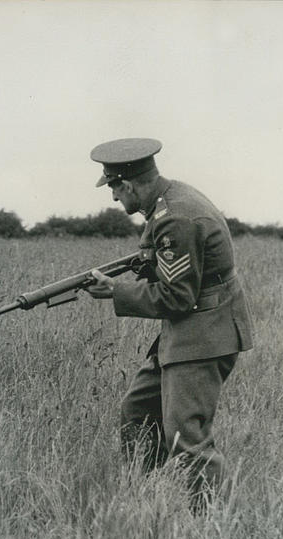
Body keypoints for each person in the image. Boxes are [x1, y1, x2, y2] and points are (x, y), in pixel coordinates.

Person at [84, 138, 254, 509]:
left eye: (113, 187)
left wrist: (117, 291)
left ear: (127, 185)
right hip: (189, 331)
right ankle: (143, 500)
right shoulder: (169, 201)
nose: (113, 197)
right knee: (138, 410)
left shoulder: (175, 217)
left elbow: (179, 297)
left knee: (185, 436)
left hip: (203, 336)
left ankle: (211, 527)